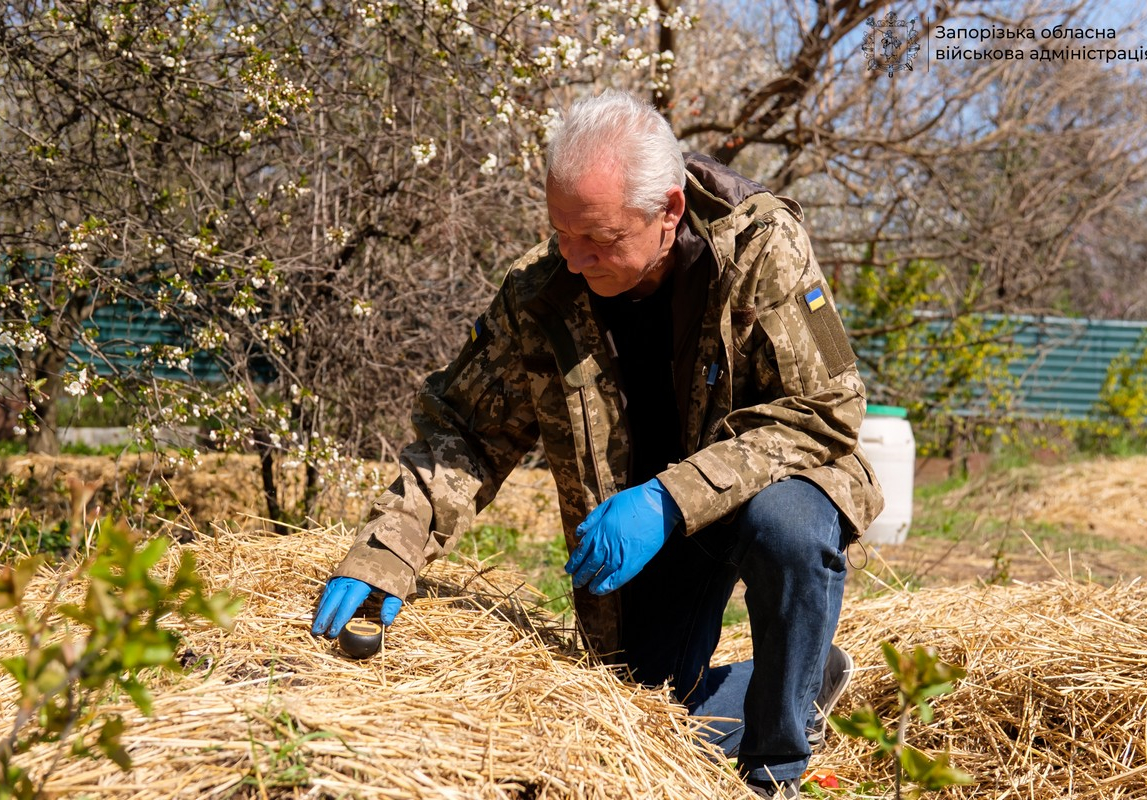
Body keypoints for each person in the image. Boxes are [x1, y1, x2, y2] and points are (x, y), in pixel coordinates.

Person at [311, 90, 883, 798]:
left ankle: (776, 769)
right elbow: (464, 431)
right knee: (641, 712)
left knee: (787, 530)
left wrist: (670, 498)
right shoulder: (542, 292)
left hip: (765, 488)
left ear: (669, 211)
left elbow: (825, 409)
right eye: (562, 233)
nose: (575, 260)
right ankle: (796, 678)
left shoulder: (761, 245)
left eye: (600, 240)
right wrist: (387, 548)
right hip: (647, 532)